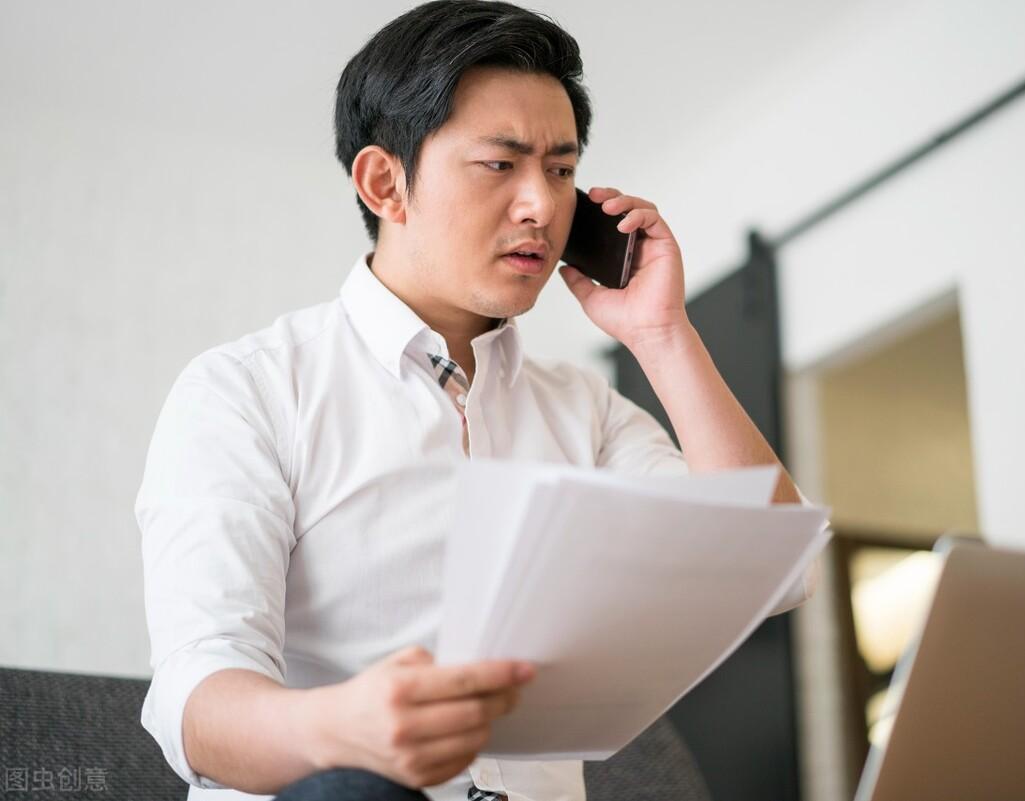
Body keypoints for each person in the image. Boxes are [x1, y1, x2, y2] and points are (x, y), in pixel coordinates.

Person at [136, 2, 817, 800]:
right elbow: (196, 700)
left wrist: (663, 334)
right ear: (385, 182)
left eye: (562, 171)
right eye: (502, 165)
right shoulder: (246, 389)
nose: (542, 205)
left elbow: (780, 572)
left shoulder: (583, 411)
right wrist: (347, 728)